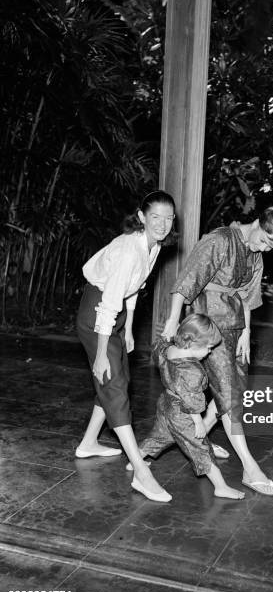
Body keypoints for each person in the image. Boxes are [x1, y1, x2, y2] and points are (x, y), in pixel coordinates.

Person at [162, 206, 273, 495]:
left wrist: (247, 332)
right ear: (258, 224)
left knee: (237, 388)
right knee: (228, 392)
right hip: (209, 325)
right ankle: (249, 466)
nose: (265, 249)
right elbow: (187, 281)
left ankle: (194, 438)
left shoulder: (256, 255)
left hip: (235, 324)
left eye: (272, 247)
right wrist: (173, 320)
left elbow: (248, 296)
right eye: (265, 241)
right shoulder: (219, 240)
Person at [75, 190, 176, 503]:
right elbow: (107, 304)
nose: (162, 223)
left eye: (168, 218)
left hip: (114, 315)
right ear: (142, 217)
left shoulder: (153, 245)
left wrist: (129, 327)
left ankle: (89, 442)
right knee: (114, 384)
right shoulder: (128, 249)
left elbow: (134, 288)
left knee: (117, 382)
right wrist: (103, 351)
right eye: (155, 217)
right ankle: (141, 473)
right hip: (97, 315)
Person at [127, 314, 245, 500]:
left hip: (165, 403)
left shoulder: (165, 349)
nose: (209, 352)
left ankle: (134, 461)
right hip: (183, 414)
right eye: (207, 347)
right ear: (191, 344)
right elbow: (192, 401)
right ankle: (221, 486)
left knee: (160, 435)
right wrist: (198, 422)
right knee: (201, 448)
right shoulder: (193, 371)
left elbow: (160, 344)